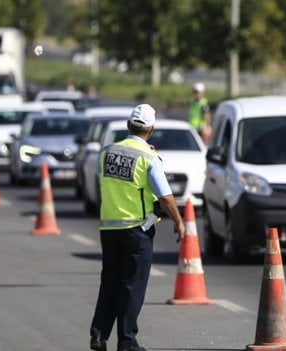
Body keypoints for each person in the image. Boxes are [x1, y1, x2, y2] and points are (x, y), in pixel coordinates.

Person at [90, 104, 186, 351]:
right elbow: (165, 198)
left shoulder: (107, 152)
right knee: (132, 286)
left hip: (109, 228)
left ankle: (99, 336)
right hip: (136, 230)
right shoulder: (149, 158)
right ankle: (127, 340)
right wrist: (179, 221)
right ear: (151, 129)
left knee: (109, 282)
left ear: (128, 126)